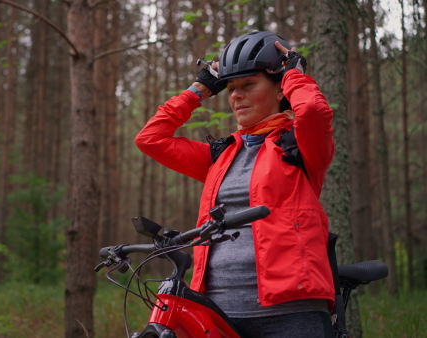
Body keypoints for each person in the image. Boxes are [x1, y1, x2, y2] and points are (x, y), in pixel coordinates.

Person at [135, 31, 336, 337]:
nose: (236, 96)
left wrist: (293, 73)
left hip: (290, 311)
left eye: (248, 85)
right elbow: (150, 139)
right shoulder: (221, 156)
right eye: (230, 88)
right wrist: (200, 89)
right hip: (219, 311)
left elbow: (312, 110)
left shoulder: (299, 146)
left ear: (280, 90)